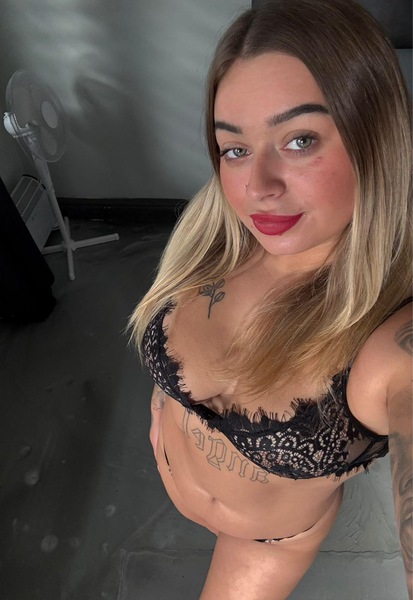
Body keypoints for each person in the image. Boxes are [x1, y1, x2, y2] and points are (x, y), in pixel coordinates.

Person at [129, 0, 412, 597]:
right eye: (234, 148)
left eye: (300, 140)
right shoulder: (214, 233)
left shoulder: (391, 344)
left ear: (377, 139)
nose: (257, 187)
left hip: (264, 542)